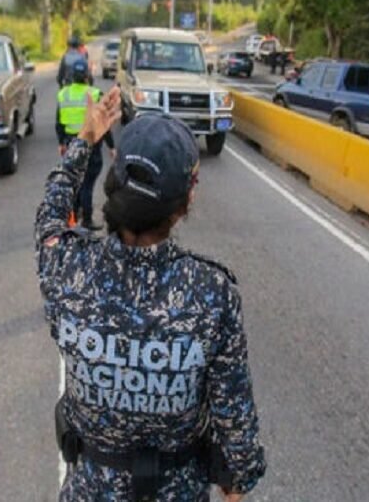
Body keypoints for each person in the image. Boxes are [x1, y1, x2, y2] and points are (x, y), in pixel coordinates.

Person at [36, 87, 267, 502]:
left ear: (113, 182)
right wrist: (238, 484)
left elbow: (51, 211)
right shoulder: (212, 294)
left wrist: (86, 138)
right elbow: (235, 421)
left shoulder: (67, 267)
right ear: (186, 200)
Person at [55, 59, 114, 230]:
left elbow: (58, 122)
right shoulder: (95, 94)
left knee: (74, 180)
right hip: (92, 145)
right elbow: (105, 125)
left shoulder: (63, 94)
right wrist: (111, 146)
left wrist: (61, 142)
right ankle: (86, 220)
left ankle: (73, 215)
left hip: (71, 142)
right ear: (87, 76)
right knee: (87, 183)